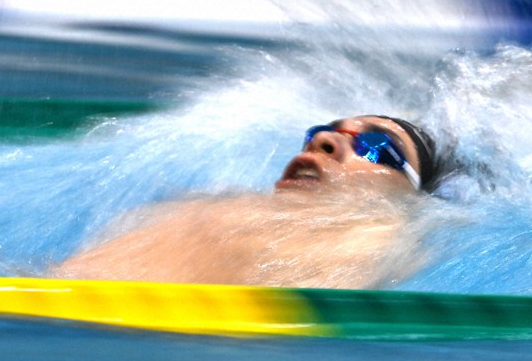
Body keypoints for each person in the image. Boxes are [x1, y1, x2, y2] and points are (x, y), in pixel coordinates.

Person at [51, 115, 441, 289]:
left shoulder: (384, 239)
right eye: (318, 132)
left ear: (413, 195)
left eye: (375, 147)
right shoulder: (204, 204)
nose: (324, 141)